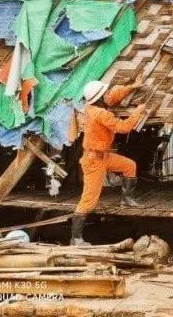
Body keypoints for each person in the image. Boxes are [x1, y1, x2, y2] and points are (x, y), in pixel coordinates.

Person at [70, 78, 146, 246]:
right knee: (88, 200)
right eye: (104, 93)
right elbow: (124, 127)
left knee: (129, 166)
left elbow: (112, 97)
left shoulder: (93, 106)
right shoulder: (101, 114)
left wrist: (132, 86)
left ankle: (126, 198)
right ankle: (76, 238)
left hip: (103, 155)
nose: (107, 95)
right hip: (94, 160)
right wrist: (138, 111)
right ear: (98, 98)